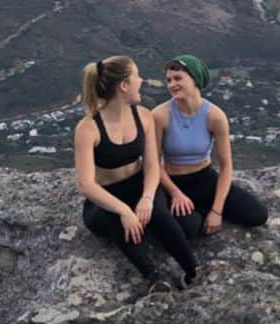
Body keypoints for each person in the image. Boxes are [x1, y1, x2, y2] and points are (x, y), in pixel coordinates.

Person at [74, 55, 197, 288]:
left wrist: (148, 198)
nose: (142, 80)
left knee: (160, 216)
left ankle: (192, 272)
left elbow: (152, 166)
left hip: (139, 184)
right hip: (106, 196)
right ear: (124, 85)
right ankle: (154, 279)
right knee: (120, 225)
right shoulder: (88, 129)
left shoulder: (143, 116)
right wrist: (124, 211)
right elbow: (87, 184)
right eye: (137, 76)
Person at [154, 54, 268, 237]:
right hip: (174, 184)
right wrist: (175, 194)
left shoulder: (215, 116)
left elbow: (226, 166)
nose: (171, 84)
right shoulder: (160, 115)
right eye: (168, 80)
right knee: (190, 229)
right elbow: (152, 163)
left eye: (178, 79)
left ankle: (204, 210)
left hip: (205, 179)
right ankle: (194, 214)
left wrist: (217, 211)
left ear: (195, 80)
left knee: (258, 216)